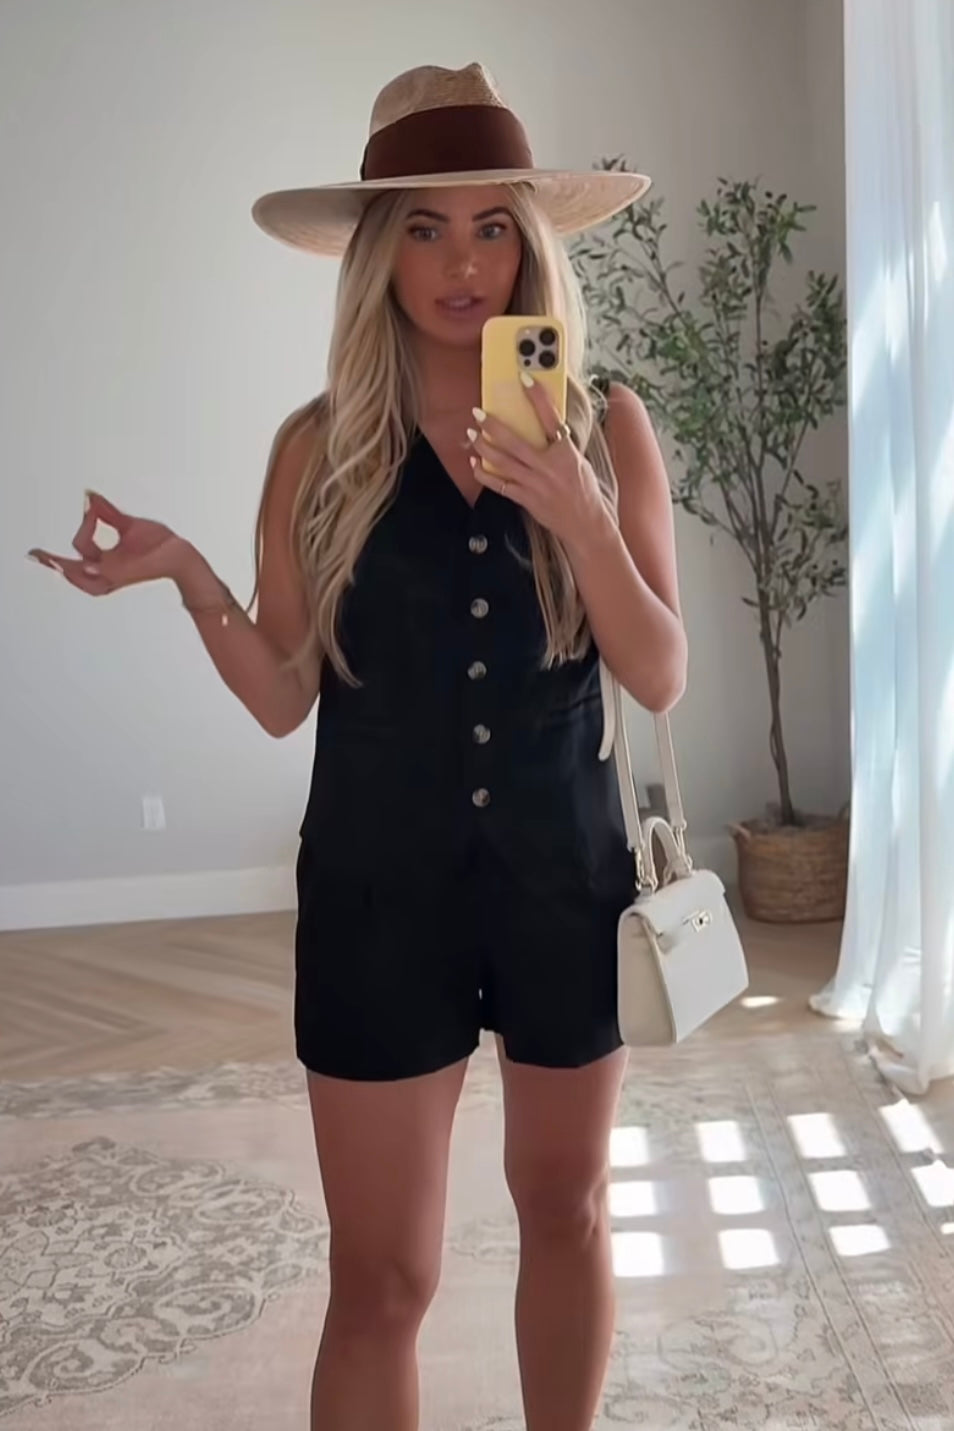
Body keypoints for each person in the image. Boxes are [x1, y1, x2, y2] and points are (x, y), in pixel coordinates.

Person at [28, 61, 687, 1431]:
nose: (462, 263)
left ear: (531, 246)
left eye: (491, 226)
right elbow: (285, 696)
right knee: (381, 1280)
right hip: (378, 899)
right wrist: (191, 577)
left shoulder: (604, 424)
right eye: (426, 229)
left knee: (565, 1211)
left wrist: (578, 514)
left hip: (563, 886)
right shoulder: (320, 449)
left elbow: (661, 672)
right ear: (380, 253)